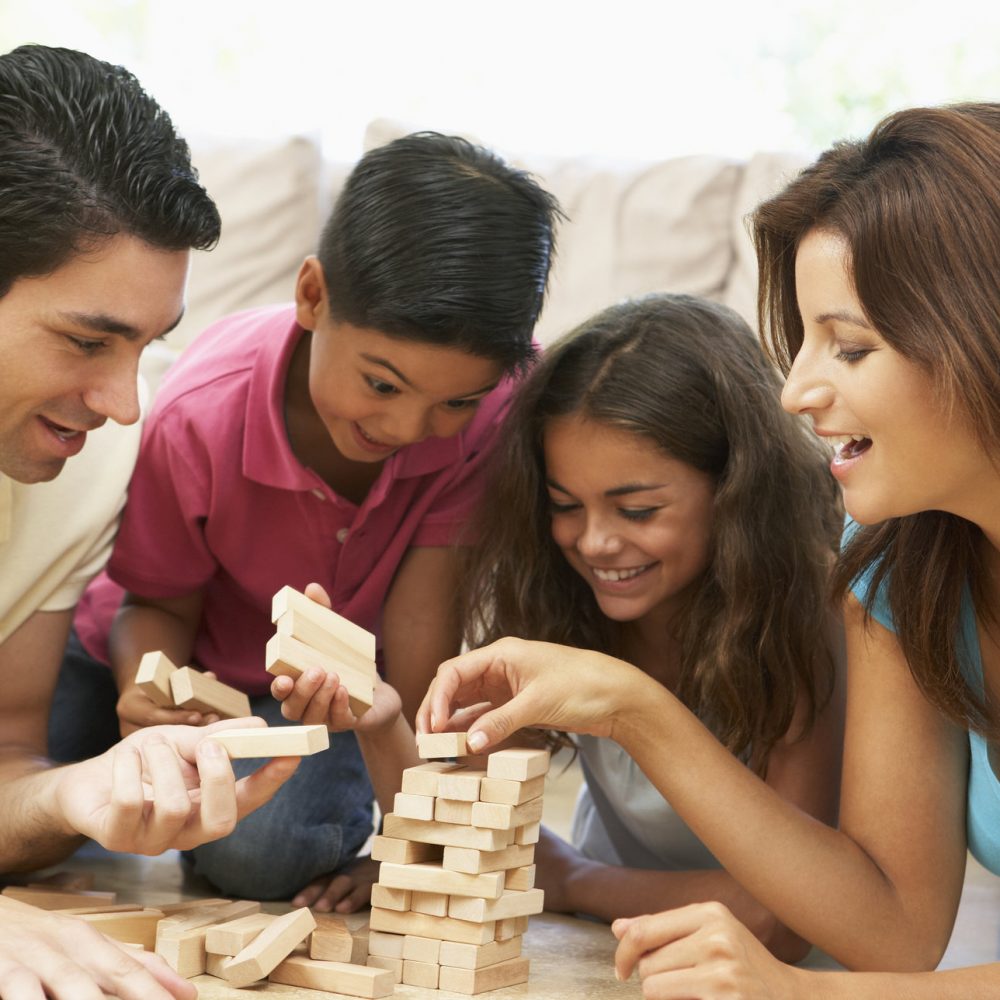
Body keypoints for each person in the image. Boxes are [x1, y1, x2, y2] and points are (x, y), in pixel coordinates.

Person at [420, 102, 1000, 998]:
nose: (798, 390)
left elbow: (845, 961)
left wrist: (804, 992)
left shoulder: (825, 583)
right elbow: (890, 926)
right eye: (804, 341)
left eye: (849, 347)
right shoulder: (895, 562)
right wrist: (631, 707)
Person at [53, 131, 562, 906]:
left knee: (267, 854)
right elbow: (153, 606)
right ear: (313, 296)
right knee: (31, 794)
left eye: (453, 402)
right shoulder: (203, 412)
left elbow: (421, 653)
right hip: (152, 659)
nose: (407, 426)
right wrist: (150, 703)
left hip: (320, 704)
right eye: (383, 385)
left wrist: (415, 838)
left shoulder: (490, 418)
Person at [0, 44, 298, 1000]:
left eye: (144, 347)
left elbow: (6, 753)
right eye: (88, 341)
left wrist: (70, 795)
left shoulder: (83, 471)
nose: (127, 405)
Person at [446, 293, 844, 961]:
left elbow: (783, 919)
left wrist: (575, 879)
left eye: (637, 509)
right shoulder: (566, 598)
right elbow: (473, 825)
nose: (595, 542)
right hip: (603, 939)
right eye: (565, 505)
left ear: (735, 488)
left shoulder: (811, 614)